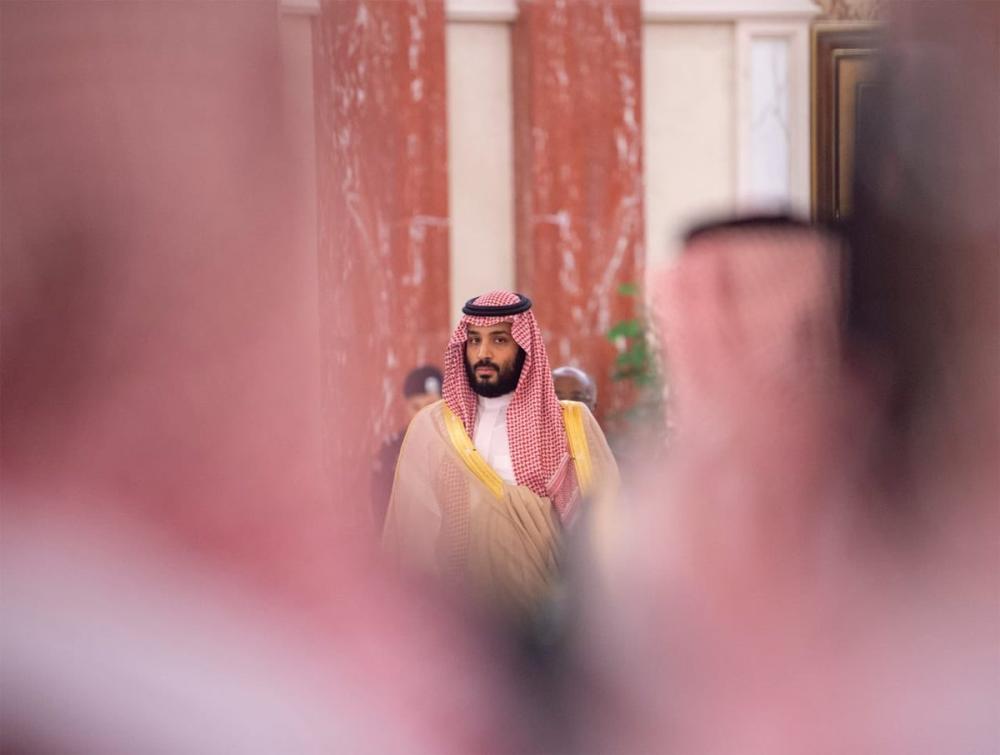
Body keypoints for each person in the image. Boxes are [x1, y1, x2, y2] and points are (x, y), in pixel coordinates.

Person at [382, 290, 619, 620]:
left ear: (524, 346)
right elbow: (412, 540)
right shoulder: (433, 427)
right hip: (464, 623)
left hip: (549, 620)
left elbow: (605, 534)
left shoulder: (570, 423)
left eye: (499, 341)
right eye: (474, 341)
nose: (483, 353)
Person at [371, 365, 443, 530]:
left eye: (430, 405)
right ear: (406, 408)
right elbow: (380, 505)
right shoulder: (391, 450)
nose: (423, 413)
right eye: (416, 407)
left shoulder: (461, 447)